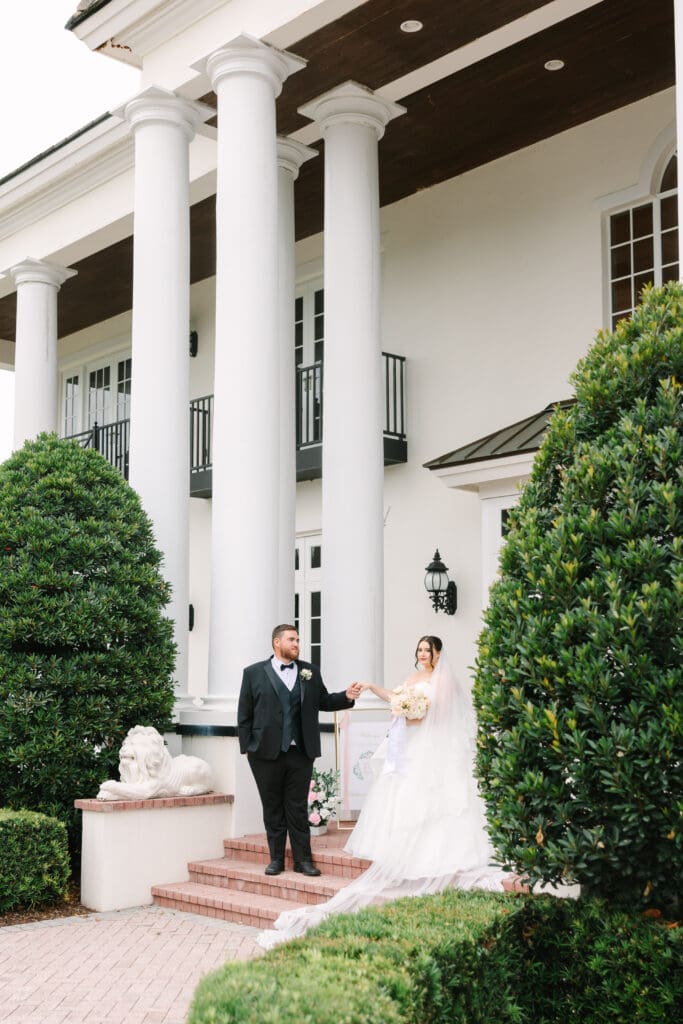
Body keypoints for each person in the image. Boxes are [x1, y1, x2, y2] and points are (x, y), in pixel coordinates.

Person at [257, 635, 506, 948]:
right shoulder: (414, 677)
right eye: (419, 650)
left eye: (427, 650)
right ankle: (403, 852)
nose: (422, 654)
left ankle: (431, 855)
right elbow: (399, 697)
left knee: (437, 801)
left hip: (432, 748)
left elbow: (439, 714)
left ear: (438, 653)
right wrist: (375, 689)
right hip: (409, 745)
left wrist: (414, 712)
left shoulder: (443, 681)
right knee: (405, 799)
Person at [238, 623, 361, 878]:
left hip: (301, 751)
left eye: (298, 640)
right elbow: (244, 714)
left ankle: (303, 860)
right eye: (291, 640)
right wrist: (247, 747)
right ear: (277, 642)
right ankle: (276, 859)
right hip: (264, 753)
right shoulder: (252, 673)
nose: (296, 644)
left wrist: (346, 696)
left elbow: (324, 701)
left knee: (296, 807)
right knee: (272, 806)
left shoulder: (309, 672)